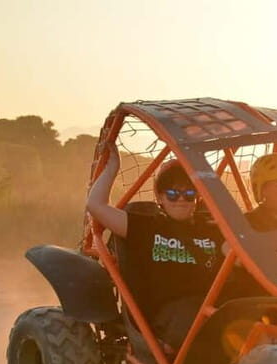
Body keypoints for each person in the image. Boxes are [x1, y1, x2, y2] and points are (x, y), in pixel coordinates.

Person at [86, 142, 223, 353]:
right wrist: (112, 167)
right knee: (198, 317)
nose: (181, 200)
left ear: (197, 198)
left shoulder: (213, 229)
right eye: (172, 194)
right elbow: (96, 206)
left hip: (211, 307)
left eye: (189, 193)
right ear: (159, 197)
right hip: (169, 315)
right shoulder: (146, 226)